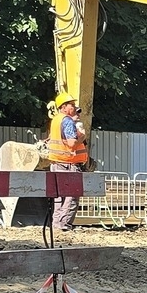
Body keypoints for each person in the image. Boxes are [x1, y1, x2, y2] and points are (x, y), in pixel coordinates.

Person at [46, 92, 88, 230]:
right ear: (63, 107)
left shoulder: (56, 120)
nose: (75, 107)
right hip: (68, 164)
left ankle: (56, 224)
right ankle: (64, 225)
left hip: (56, 163)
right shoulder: (68, 121)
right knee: (71, 196)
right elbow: (72, 143)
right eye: (72, 105)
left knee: (59, 197)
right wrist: (81, 136)